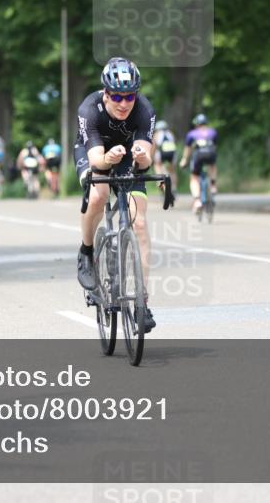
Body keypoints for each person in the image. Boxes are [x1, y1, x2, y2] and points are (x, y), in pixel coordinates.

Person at [74, 57, 157, 333]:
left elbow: (146, 159)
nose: (124, 103)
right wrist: (107, 159)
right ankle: (86, 251)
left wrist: (143, 157)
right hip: (95, 153)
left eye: (130, 96)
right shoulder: (90, 109)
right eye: (117, 96)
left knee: (140, 224)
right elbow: (97, 159)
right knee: (99, 196)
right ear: (106, 93)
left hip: (127, 157)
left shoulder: (144, 109)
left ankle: (142, 303)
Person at [179, 114, 218, 216]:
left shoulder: (191, 134)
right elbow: (214, 145)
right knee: (212, 165)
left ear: (196, 124)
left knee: (194, 178)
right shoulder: (212, 132)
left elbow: (188, 150)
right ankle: (213, 185)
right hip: (211, 153)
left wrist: (184, 161)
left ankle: (197, 201)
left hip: (199, 156)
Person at [152, 120, 179, 197]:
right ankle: (174, 188)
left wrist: (151, 158)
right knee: (172, 171)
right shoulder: (171, 134)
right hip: (172, 154)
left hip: (161, 153)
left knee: (158, 168)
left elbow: (154, 147)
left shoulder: (156, 134)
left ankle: (161, 186)